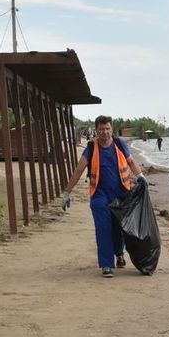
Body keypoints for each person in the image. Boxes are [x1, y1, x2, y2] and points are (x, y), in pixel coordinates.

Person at [62, 116, 145, 278]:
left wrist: (141, 176)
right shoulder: (91, 148)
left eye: (107, 129)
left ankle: (119, 253)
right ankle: (106, 264)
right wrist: (67, 192)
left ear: (111, 129)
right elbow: (78, 170)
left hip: (121, 193)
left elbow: (131, 161)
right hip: (99, 195)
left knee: (118, 227)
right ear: (97, 130)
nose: (105, 132)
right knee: (103, 228)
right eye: (101, 129)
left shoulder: (120, 144)